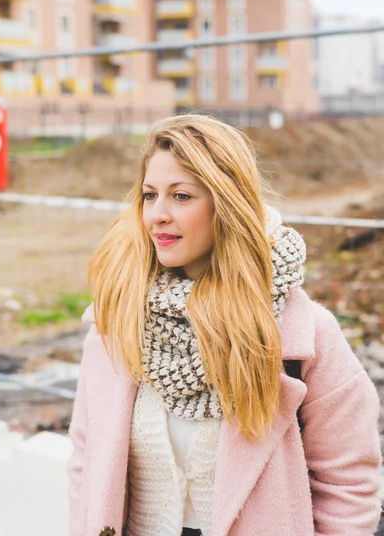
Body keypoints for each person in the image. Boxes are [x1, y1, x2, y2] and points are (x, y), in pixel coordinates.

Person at [67, 114, 382, 536]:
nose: (157, 215)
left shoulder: (301, 335)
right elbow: (85, 460)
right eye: (149, 195)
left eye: (181, 196)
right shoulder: (116, 319)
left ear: (227, 204)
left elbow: (349, 483)